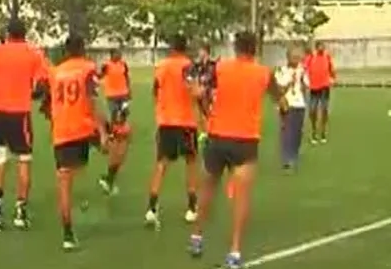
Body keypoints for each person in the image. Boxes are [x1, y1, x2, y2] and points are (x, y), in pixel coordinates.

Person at [188, 31, 284, 269]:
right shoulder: (264, 73)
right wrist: (284, 108)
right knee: (241, 198)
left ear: (236, 48)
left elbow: (199, 92)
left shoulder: (220, 69)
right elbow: (280, 100)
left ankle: (197, 237)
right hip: (245, 141)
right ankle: (235, 250)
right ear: (255, 48)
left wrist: (205, 107)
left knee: (207, 189)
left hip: (217, 137)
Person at [0, 19, 49, 230]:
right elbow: (43, 83)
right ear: (24, 34)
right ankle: (20, 212)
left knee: (0, 159)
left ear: (8, 34)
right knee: (24, 161)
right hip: (20, 114)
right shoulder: (33, 53)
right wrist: (33, 95)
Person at [41, 34, 109, 251]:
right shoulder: (88, 68)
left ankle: (68, 234)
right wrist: (103, 132)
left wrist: (56, 118)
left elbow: (45, 104)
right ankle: (108, 178)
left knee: (64, 181)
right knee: (122, 138)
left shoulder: (55, 72)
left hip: (62, 131)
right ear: (82, 48)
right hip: (85, 127)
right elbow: (92, 99)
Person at [143, 34, 201, 227]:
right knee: (191, 162)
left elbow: (155, 91)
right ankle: (192, 208)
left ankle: (151, 208)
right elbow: (194, 91)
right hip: (185, 122)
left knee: (161, 164)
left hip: (166, 121)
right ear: (185, 48)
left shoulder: (161, 66)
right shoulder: (188, 66)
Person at [97, 48, 131, 195]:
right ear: (112, 55)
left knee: (123, 117)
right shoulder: (107, 65)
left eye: (120, 53)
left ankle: (118, 135)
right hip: (111, 95)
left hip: (123, 94)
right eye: (117, 53)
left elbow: (127, 77)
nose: (120, 55)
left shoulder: (123, 64)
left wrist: (129, 90)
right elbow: (99, 76)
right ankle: (112, 137)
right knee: (114, 117)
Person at [276, 46, 309, 169]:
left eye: (298, 57)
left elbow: (306, 86)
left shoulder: (302, 70)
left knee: (297, 132)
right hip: (287, 104)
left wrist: (302, 81)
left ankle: (294, 154)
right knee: (287, 131)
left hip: (299, 103)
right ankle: (286, 158)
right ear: (288, 58)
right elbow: (279, 88)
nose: (296, 60)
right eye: (294, 57)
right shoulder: (281, 71)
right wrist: (290, 81)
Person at [304, 41, 335, 144]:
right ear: (316, 48)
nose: (322, 49)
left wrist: (333, 78)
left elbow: (331, 69)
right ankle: (314, 130)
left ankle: (323, 131)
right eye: (320, 47)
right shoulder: (311, 57)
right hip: (314, 88)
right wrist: (306, 80)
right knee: (312, 110)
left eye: (323, 47)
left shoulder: (327, 57)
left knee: (324, 109)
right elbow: (304, 69)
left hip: (325, 87)